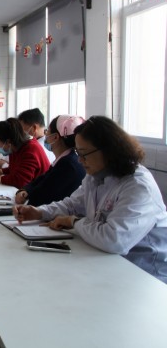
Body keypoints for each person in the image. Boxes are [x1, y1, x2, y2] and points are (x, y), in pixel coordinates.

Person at [14, 116, 167, 283]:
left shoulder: (138, 186)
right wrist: (39, 212)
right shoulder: (96, 176)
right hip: (105, 261)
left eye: (84, 154)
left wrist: (73, 222)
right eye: (78, 153)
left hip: (144, 274)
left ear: (108, 150)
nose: (80, 160)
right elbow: (72, 204)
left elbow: (114, 239)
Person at [14, 115, 86, 206]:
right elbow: (42, 179)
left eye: (47, 131)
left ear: (55, 137)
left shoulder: (67, 165)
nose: (46, 134)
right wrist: (26, 190)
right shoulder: (66, 159)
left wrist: (28, 194)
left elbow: (43, 195)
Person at [0, 118, 50, 188]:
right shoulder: (15, 147)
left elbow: (21, 181)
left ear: (8, 142)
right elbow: (13, 169)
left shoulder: (30, 150)